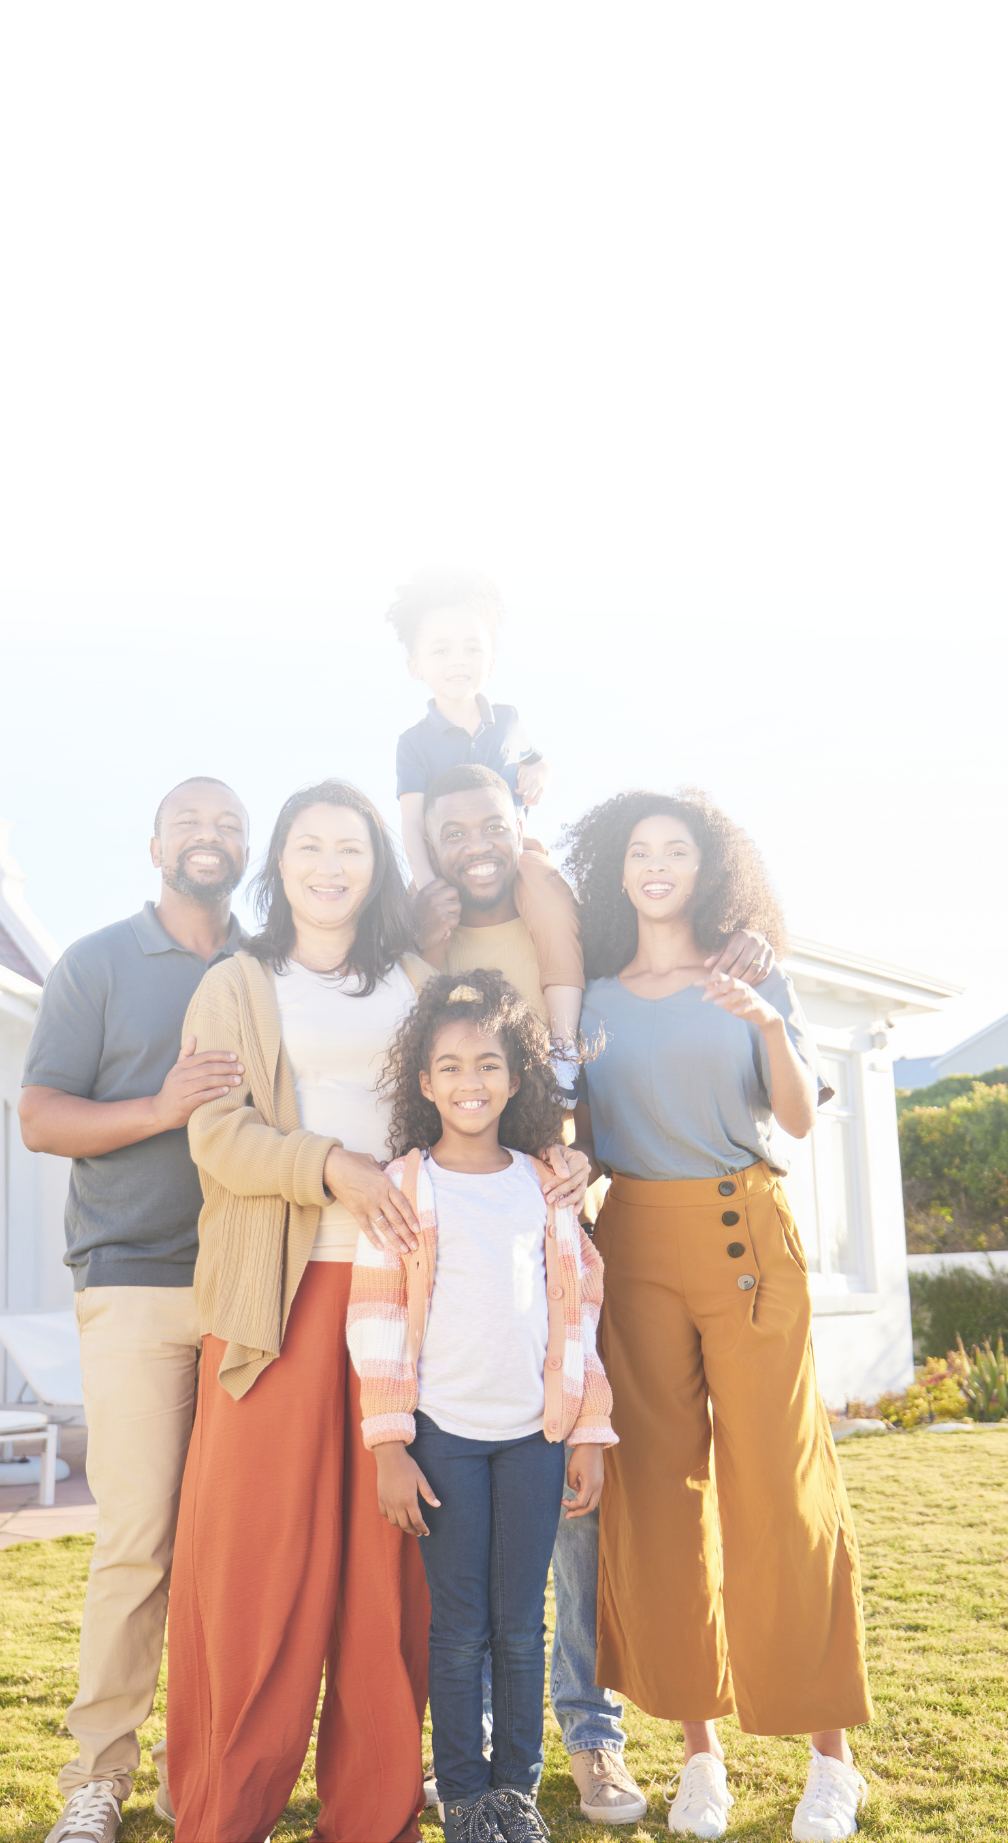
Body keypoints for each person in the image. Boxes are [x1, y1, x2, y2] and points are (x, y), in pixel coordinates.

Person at [164, 781, 590, 1843]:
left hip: (417, 1311)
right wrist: (333, 1169)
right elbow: (216, 1137)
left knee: (392, 1575)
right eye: (308, 845)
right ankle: (227, 1809)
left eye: (349, 846)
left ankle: (373, 1811)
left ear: (375, 867)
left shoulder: (416, 979)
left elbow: (478, 1094)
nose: (328, 864)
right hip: (282, 1298)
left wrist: (562, 1158)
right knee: (256, 1570)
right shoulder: (239, 983)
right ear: (282, 863)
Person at [411, 763, 776, 1828]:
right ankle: (469, 1755)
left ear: (520, 824)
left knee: (570, 1516)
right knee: (463, 1543)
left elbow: (628, 1004)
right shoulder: (424, 923)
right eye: (451, 827)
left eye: (491, 821)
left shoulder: (558, 909)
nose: (473, 840)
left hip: (554, 1201)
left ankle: (590, 1736)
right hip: (452, 1208)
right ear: (426, 841)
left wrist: (745, 943)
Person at [566, 789, 873, 1843]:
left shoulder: (750, 974)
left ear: (707, 869)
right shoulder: (593, 1000)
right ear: (620, 870)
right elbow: (590, 1138)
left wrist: (773, 1025)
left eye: (677, 852)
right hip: (636, 1243)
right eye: (642, 852)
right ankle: (702, 1756)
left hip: (747, 1233)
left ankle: (832, 1760)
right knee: (657, 1498)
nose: (658, 866)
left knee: (779, 1492)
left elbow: (793, 1118)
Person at [19, 777, 251, 1843]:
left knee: (242, 1545)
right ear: (154, 842)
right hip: (134, 1286)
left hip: (259, 1292)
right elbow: (37, 1116)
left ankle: (205, 1775)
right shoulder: (97, 963)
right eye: (191, 821)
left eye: (228, 824)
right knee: (139, 1542)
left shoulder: (270, 967)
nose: (210, 837)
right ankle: (98, 1776)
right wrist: (159, 1107)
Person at [347, 970, 617, 1843]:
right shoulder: (404, 1186)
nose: (471, 1082)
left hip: (533, 1438)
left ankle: (516, 1795)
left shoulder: (545, 1184)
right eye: (451, 1066)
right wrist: (390, 1443)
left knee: (520, 1624)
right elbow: (378, 1319)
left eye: (489, 1065)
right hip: (445, 1439)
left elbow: (580, 1312)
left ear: (515, 1077)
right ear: (424, 1082)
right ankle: (464, 1795)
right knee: (460, 1629)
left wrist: (589, 1429)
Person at [387, 570, 584, 1060]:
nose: (458, 661)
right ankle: (424, 1054)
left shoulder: (510, 719)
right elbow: (413, 822)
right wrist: (429, 882)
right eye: (441, 651)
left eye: (472, 649)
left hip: (511, 854)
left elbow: (539, 760)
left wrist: (542, 771)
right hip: (440, 860)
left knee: (554, 900)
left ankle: (562, 1047)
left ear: (491, 660)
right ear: (415, 665)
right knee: (409, 937)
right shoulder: (413, 742)